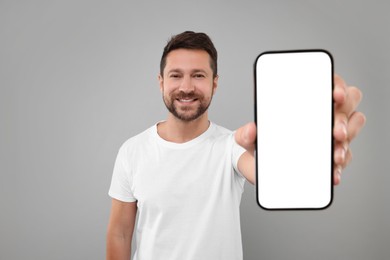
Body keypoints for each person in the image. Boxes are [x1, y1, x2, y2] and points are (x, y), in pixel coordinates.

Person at [106, 31, 366, 260]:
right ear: (161, 82)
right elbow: (120, 234)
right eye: (176, 75)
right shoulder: (133, 151)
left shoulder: (233, 146)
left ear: (214, 83)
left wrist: (314, 142)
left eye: (198, 75)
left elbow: (274, 176)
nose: (186, 87)